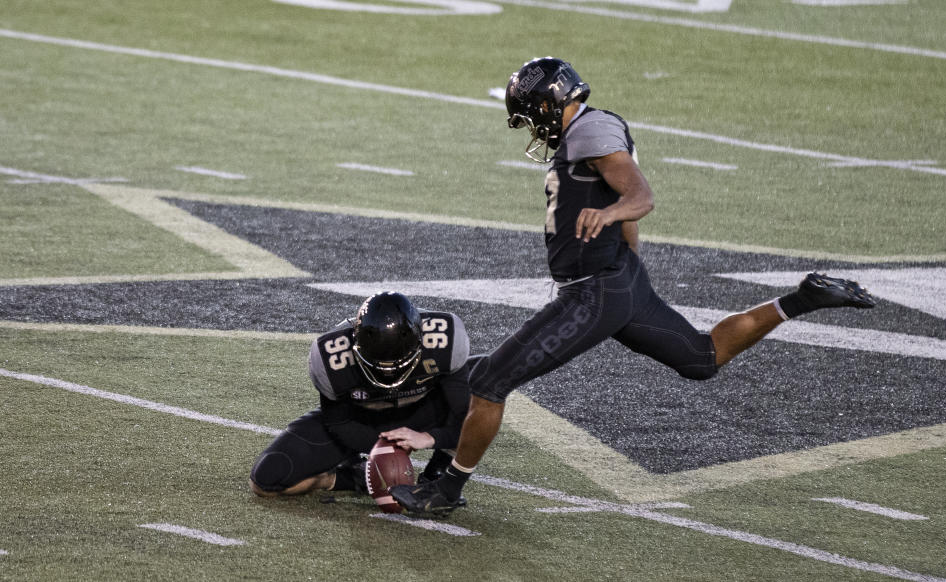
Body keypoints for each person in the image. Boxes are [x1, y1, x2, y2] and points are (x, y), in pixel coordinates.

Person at [390, 57, 876, 516]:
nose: (533, 127)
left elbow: (639, 194)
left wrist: (611, 218)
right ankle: (802, 298)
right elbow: (625, 213)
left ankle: (447, 490)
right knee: (702, 359)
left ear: (546, 103)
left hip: (593, 289)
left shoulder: (592, 131)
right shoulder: (589, 130)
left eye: (531, 115)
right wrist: (630, 275)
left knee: (489, 381)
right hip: (617, 283)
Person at [250, 291, 472, 498]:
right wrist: (384, 450)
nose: (389, 372)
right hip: (362, 419)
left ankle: (441, 470)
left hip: (424, 410)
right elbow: (338, 422)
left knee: (485, 388)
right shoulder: (331, 357)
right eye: (379, 364)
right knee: (266, 479)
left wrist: (431, 438)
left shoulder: (446, 340)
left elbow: (468, 416)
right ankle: (352, 477)